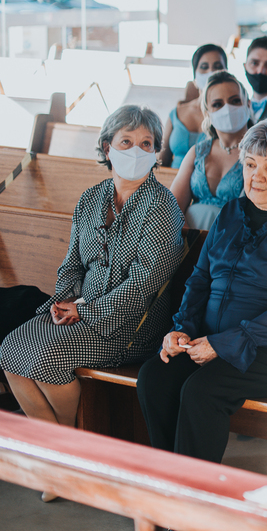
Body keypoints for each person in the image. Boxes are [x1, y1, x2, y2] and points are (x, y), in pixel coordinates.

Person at [0, 106, 183, 501]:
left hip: (132, 324)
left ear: (156, 153)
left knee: (47, 358)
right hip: (80, 309)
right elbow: (72, 261)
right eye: (126, 142)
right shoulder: (92, 199)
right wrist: (63, 299)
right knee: (10, 349)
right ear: (107, 147)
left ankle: (66, 454)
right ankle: (64, 452)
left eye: (146, 144)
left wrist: (86, 310)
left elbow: (145, 284)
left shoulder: (162, 207)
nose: (137, 150)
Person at [137, 120, 267, 464]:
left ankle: (195, 499)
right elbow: (201, 278)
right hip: (208, 338)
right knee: (155, 377)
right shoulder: (230, 213)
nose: (256, 176)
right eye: (250, 165)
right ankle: (169, 479)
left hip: (263, 351)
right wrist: (183, 327)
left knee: (201, 391)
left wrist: (222, 344)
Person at [169, 71, 251, 231]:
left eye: (235, 101)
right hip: (187, 240)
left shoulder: (258, 154)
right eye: (217, 104)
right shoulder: (198, 152)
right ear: (207, 113)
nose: (227, 108)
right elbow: (173, 206)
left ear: (247, 105)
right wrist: (190, 242)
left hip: (233, 242)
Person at [159, 44, 226, 167]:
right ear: (195, 76)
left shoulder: (229, 115)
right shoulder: (177, 113)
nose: (211, 72)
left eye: (217, 67)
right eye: (204, 67)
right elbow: (162, 161)